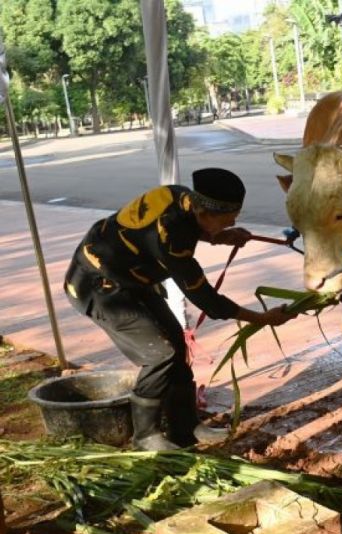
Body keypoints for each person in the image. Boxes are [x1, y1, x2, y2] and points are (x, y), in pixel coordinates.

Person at [63, 169, 297, 451]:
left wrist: (218, 237)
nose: (233, 222)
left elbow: (176, 228)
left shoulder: (181, 196)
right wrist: (262, 318)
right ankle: (146, 436)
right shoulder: (173, 238)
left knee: (175, 342)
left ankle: (185, 426)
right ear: (205, 213)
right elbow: (208, 301)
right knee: (159, 354)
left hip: (132, 278)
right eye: (227, 219)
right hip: (98, 286)